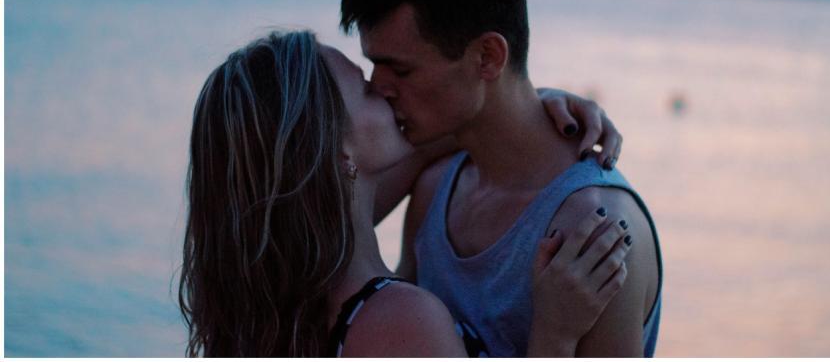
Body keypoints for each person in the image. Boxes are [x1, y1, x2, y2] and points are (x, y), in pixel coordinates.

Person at [179, 31, 633, 356]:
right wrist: (554, 334)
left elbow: (427, 145)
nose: (385, 90)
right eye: (365, 89)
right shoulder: (399, 325)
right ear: (339, 156)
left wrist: (520, 111)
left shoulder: (292, 302)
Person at [340, 0, 663, 356]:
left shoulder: (593, 229)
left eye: (400, 69)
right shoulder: (435, 191)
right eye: (374, 65)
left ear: (488, 57)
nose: (377, 88)